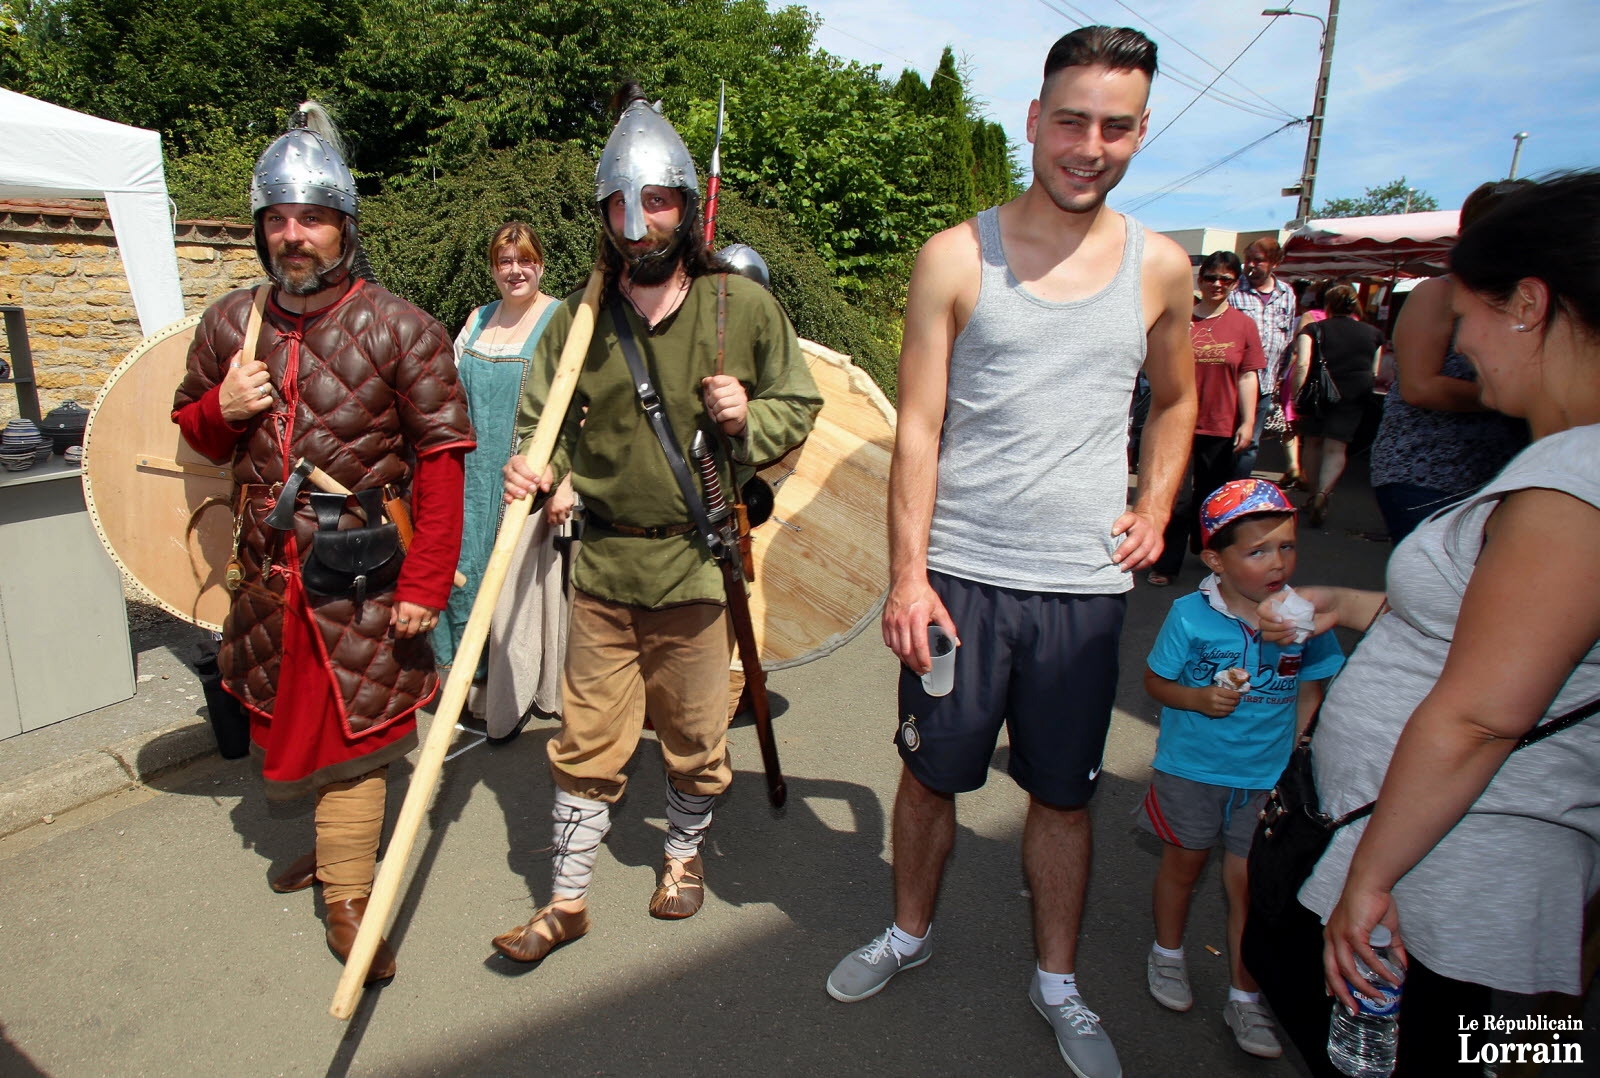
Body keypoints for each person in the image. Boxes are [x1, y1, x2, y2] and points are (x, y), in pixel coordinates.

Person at [824, 27, 1198, 1078]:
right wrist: (907, 575)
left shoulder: (1159, 267)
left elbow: (1176, 402)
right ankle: (908, 930)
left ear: (1137, 133)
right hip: (958, 583)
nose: (1089, 144)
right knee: (930, 774)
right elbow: (918, 428)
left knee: (1065, 796)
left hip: (1080, 590)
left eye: (1114, 125)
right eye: (1070, 119)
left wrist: (1158, 503)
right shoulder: (955, 255)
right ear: (1032, 121)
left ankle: (1059, 982)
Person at [1244, 171, 1600, 1075]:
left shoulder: (1571, 488)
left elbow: (1483, 713)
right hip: (1462, 872)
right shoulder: (1559, 464)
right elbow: (1504, 627)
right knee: (1509, 1051)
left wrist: (1368, 880)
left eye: (1464, 313)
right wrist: (1361, 606)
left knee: (1454, 1054)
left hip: (1451, 883)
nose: (1454, 341)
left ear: (1528, 304)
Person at [493, 82, 821, 962]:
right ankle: (566, 902)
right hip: (601, 569)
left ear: (684, 207)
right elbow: (544, 419)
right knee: (586, 739)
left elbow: (802, 401)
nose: (640, 225)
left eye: (659, 202)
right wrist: (539, 467)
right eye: (622, 207)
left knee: (693, 734)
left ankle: (681, 857)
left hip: (694, 570)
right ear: (604, 212)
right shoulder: (577, 318)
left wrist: (748, 413)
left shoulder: (740, 309)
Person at [171, 102, 473, 983]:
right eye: (277, 219)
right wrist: (218, 411)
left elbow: (444, 465)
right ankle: (334, 851)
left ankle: (348, 892)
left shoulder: (401, 326)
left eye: (310, 218)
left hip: (364, 570)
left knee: (358, 733)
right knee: (290, 721)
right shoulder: (230, 322)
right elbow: (197, 434)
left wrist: (427, 583)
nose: (292, 235)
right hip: (271, 571)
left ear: (345, 224)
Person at [1138, 479, 1343, 1060]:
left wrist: (1301, 751)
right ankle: (1169, 954)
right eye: (1257, 552)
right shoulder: (1190, 616)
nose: (1277, 564)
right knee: (1183, 865)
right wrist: (1199, 700)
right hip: (1193, 769)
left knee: (1249, 884)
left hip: (1266, 779)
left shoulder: (1304, 615)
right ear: (1214, 560)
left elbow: (1311, 686)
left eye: (1286, 547)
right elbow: (1155, 681)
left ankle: (1245, 995)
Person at [433, 221, 576, 740]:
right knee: (463, 568)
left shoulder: (560, 319)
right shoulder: (478, 318)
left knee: (511, 584)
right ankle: (467, 686)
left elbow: (581, 408)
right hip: (471, 470)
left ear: (541, 264)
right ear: (493, 268)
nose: (515, 270)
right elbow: (447, 389)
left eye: (525, 260)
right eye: (504, 261)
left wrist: (563, 480)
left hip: (526, 478)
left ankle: (510, 693)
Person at [1368, 182, 1530, 542]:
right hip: (1427, 472)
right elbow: (1420, 386)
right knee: (1436, 592)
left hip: (1499, 475)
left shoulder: (1527, 298)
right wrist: (1518, 396)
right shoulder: (1437, 293)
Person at [1146, 251, 1264, 586]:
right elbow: (1152, 365)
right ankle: (1167, 564)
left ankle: (1207, 549)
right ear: (1200, 279)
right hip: (1176, 420)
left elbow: (1247, 375)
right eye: (1210, 277)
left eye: (1225, 279)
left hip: (1220, 421)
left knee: (1211, 497)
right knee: (1177, 498)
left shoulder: (1243, 325)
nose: (1216, 284)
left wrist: (1247, 421)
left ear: (1235, 283)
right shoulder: (1179, 318)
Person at [1289, 283, 1384, 527]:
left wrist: (1298, 394)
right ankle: (1323, 493)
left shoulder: (1313, 329)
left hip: (1319, 394)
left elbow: (1303, 364)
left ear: (1328, 305)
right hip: (1355, 392)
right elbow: (1375, 371)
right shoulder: (1373, 333)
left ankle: (1312, 494)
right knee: (1337, 447)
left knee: (1312, 443)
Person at [1228, 237, 1298, 480]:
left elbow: (1288, 338)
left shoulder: (1286, 293)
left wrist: (1280, 378)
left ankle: (1238, 492)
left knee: (1250, 443)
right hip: (1233, 381)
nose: (1251, 265)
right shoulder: (1235, 291)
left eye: (1258, 260)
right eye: (1248, 259)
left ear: (1274, 263)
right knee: (1225, 440)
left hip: (1265, 383)